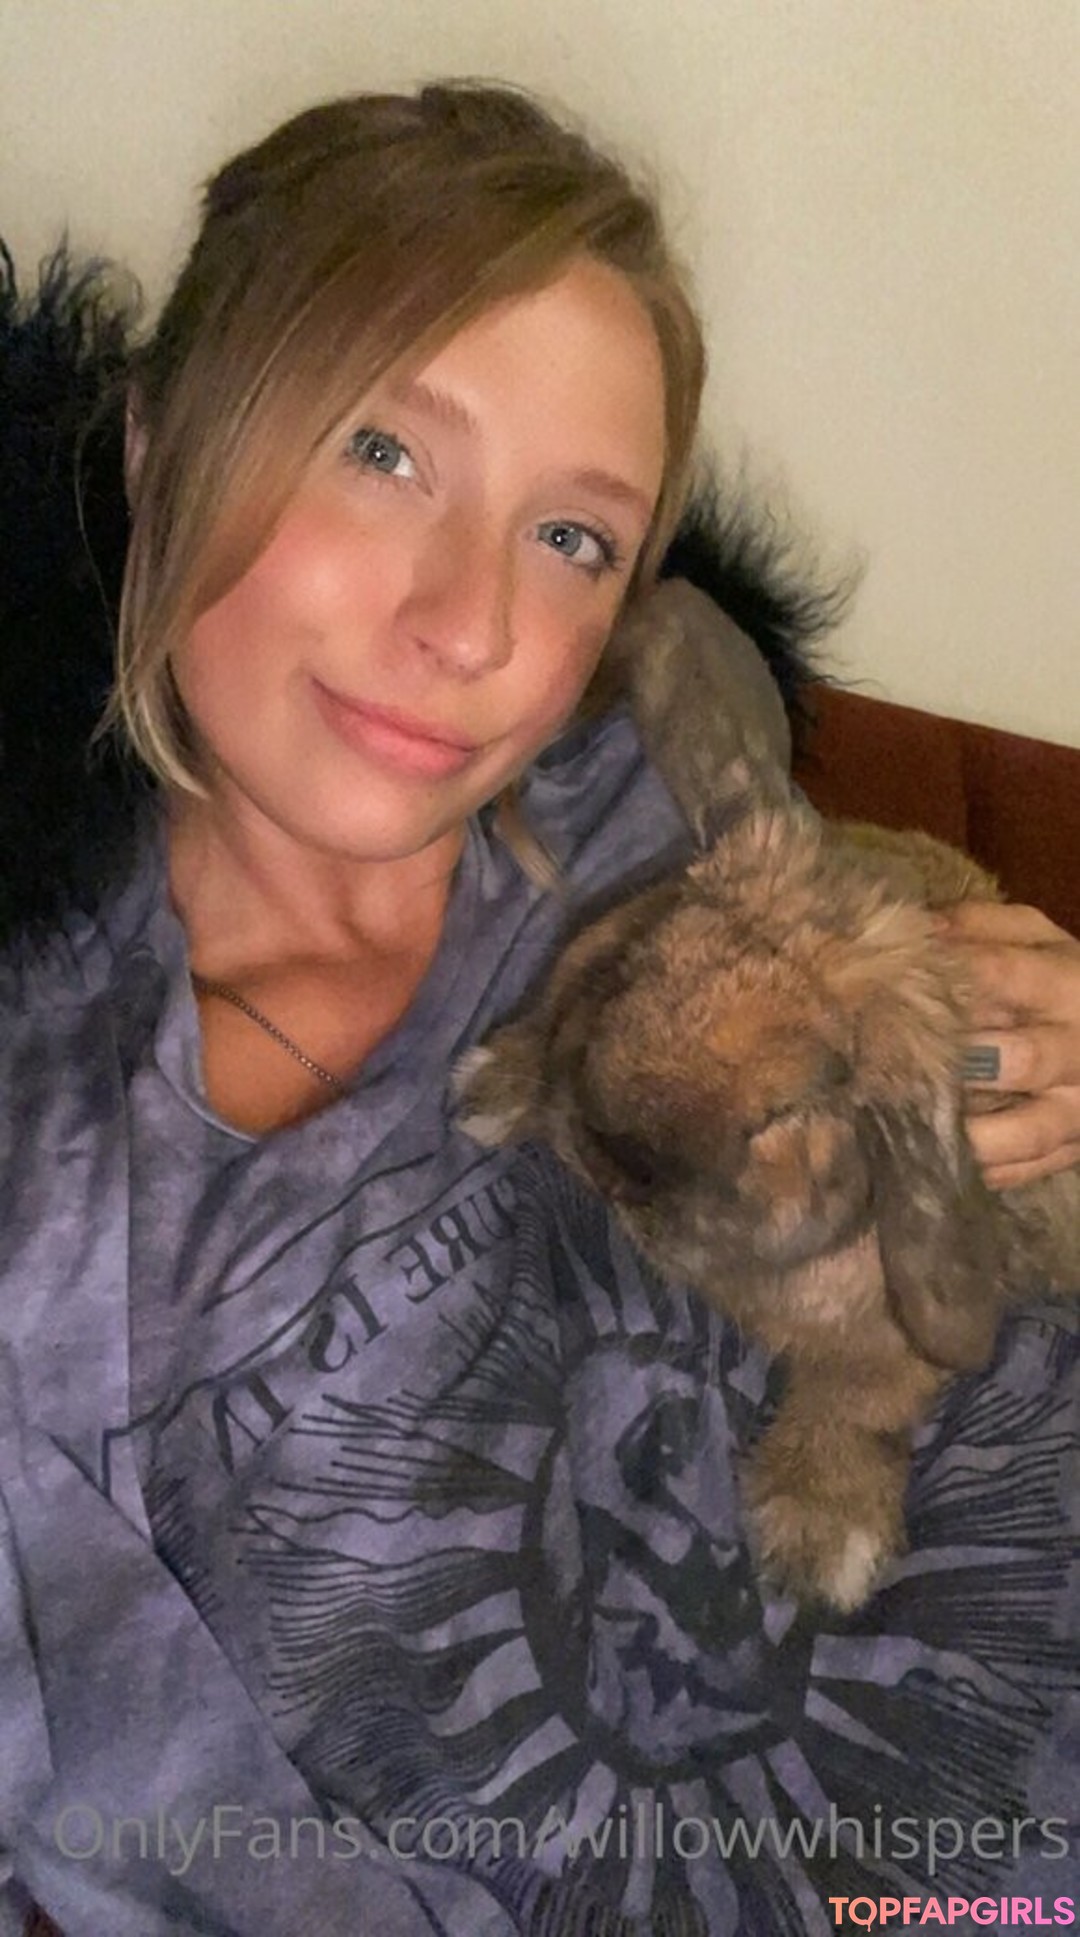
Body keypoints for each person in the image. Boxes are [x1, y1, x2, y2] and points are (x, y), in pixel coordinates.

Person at [0, 80, 1076, 1937]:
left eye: (573, 536)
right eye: (381, 450)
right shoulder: (48, 1153)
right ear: (161, 439)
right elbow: (119, 1810)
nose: (471, 623)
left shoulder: (661, 813)